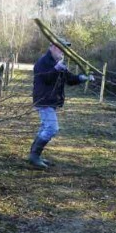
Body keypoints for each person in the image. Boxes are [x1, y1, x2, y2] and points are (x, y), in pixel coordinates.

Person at [28, 39, 95, 170]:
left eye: (64, 48)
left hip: (50, 100)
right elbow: (46, 78)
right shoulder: (43, 62)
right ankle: (34, 156)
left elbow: (69, 79)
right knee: (52, 128)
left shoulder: (57, 62)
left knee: (45, 127)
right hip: (44, 100)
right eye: (60, 48)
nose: (63, 51)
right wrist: (55, 69)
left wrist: (83, 78)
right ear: (52, 47)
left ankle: (34, 155)